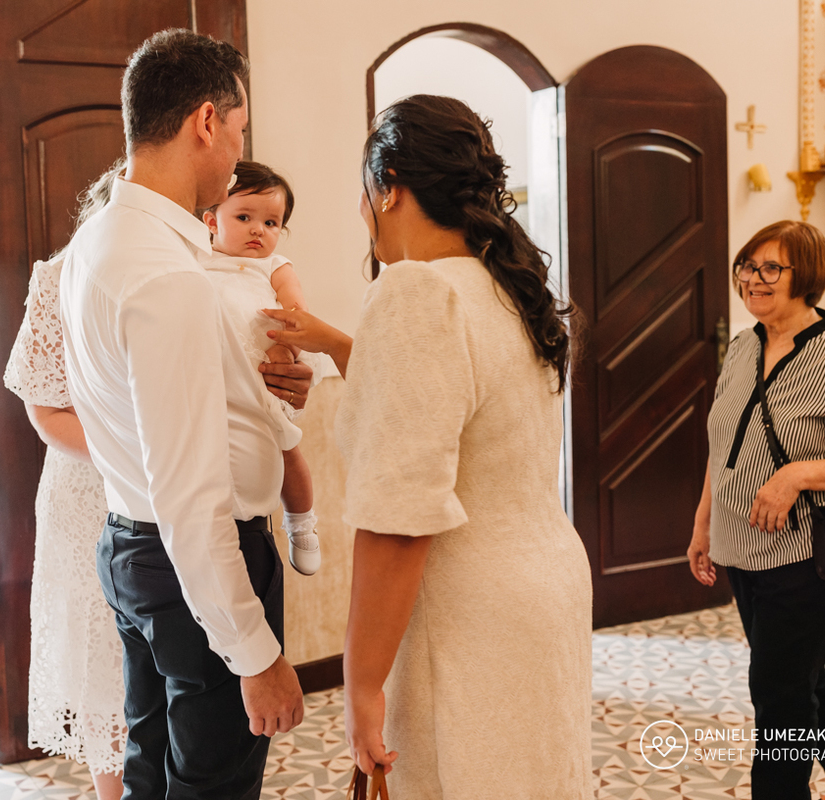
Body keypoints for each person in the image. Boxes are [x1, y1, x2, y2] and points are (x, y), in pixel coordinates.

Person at [263, 95, 594, 799]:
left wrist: (360, 682)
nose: (361, 210)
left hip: (468, 610)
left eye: (364, 190)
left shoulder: (414, 292)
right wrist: (338, 344)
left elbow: (399, 517)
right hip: (546, 584)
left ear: (390, 187)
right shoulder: (506, 286)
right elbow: (447, 407)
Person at [57, 29, 310, 800]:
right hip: (190, 562)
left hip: (130, 549)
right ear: (206, 121)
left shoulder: (98, 241)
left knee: (151, 773)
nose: (238, 155)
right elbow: (190, 494)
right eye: (237, 133)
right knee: (211, 788)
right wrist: (255, 653)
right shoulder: (167, 276)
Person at [687, 220, 825, 800]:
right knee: (795, 672)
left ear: (804, 277)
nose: (752, 279)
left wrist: (796, 475)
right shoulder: (742, 347)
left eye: (769, 268)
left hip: (808, 552)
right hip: (742, 548)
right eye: (747, 266)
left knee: (779, 693)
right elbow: (723, 445)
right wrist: (704, 524)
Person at [2, 161, 128, 799]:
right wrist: (134, 453)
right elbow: (46, 410)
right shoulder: (56, 279)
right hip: (86, 488)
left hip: (167, 483)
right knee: (100, 652)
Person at [201, 160, 321, 575]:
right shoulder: (196, 262)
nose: (259, 230)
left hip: (268, 372)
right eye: (245, 217)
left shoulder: (274, 266)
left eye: (272, 222)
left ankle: (302, 523)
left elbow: (295, 306)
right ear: (211, 220)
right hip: (220, 386)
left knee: (289, 452)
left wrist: (292, 325)